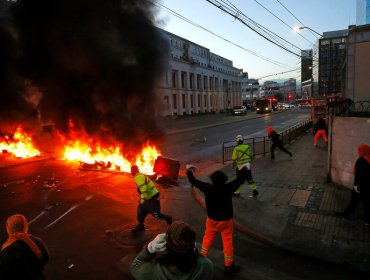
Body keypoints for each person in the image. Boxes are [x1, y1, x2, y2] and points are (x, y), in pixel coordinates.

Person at [186, 165, 249, 275]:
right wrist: (245, 169)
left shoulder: (207, 188)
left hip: (212, 220)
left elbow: (194, 181)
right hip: (226, 221)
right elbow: (240, 180)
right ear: (224, 180)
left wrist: (189, 172)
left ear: (213, 180)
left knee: (208, 238)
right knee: (227, 242)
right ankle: (228, 266)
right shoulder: (228, 188)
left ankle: (201, 259)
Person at [130, 220, 214, 279]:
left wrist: (149, 249)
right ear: (193, 245)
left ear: (167, 247)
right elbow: (200, 258)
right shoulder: (206, 267)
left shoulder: (153, 271)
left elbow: (135, 266)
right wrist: (193, 250)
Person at [0, 214, 49, 280]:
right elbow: (45, 259)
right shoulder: (37, 241)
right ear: (25, 225)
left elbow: (4, 272)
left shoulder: (6, 248)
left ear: (9, 229)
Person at [131, 165, 172, 232]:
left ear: (134, 171)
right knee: (140, 211)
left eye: (131, 170)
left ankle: (168, 218)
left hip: (153, 198)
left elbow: (144, 188)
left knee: (156, 215)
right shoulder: (141, 175)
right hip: (148, 198)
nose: (131, 172)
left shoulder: (138, 177)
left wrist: (143, 199)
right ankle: (141, 225)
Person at [336, 144, 370, 225]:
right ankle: (367, 220)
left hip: (361, 186)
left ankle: (345, 214)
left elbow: (359, 174)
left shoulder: (362, 160)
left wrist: (356, 185)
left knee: (354, 201)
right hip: (368, 186)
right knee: (367, 203)